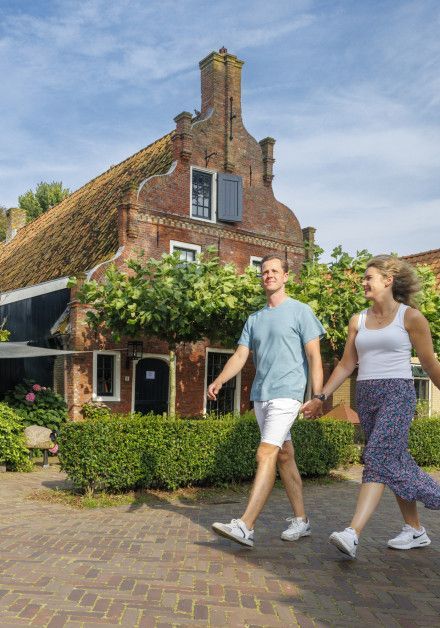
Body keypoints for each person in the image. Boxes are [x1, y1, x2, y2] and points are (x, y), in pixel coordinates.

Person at [303, 254, 440, 559]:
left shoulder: (411, 318)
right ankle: (415, 530)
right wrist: (321, 396)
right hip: (366, 394)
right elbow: (347, 364)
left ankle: (352, 533)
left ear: (388, 280)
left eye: (369, 277)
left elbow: (430, 364)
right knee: (395, 460)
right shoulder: (358, 320)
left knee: (377, 456)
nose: (363, 282)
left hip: (398, 393)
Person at [208, 254, 326, 547]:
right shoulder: (255, 319)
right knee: (284, 455)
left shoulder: (301, 312)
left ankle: (246, 525)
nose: (269, 275)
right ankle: (302, 521)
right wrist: (220, 379)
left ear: (286, 276)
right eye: (264, 272)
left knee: (265, 454)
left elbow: (314, 357)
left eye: (274, 271)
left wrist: (318, 396)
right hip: (261, 395)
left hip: (287, 395)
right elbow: (240, 356)